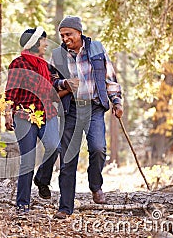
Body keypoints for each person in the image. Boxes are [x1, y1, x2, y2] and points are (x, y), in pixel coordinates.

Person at [50, 16, 123, 219]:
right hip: (71, 110)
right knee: (67, 159)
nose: (65, 38)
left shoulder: (97, 48)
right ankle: (65, 207)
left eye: (68, 34)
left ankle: (95, 185)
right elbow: (51, 84)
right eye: (62, 35)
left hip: (94, 108)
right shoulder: (57, 55)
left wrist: (116, 101)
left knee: (98, 148)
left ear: (79, 32)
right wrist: (64, 84)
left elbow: (110, 78)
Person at [4, 27, 61, 214]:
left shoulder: (45, 65)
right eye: (44, 40)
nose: (46, 43)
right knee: (27, 161)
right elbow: (11, 92)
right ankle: (22, 205)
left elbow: (53, 87)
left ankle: (42, 179)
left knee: (54, 145)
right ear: (35, 43)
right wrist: (7, 113)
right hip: (24, 116)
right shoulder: (17, 64)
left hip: (47, 113)